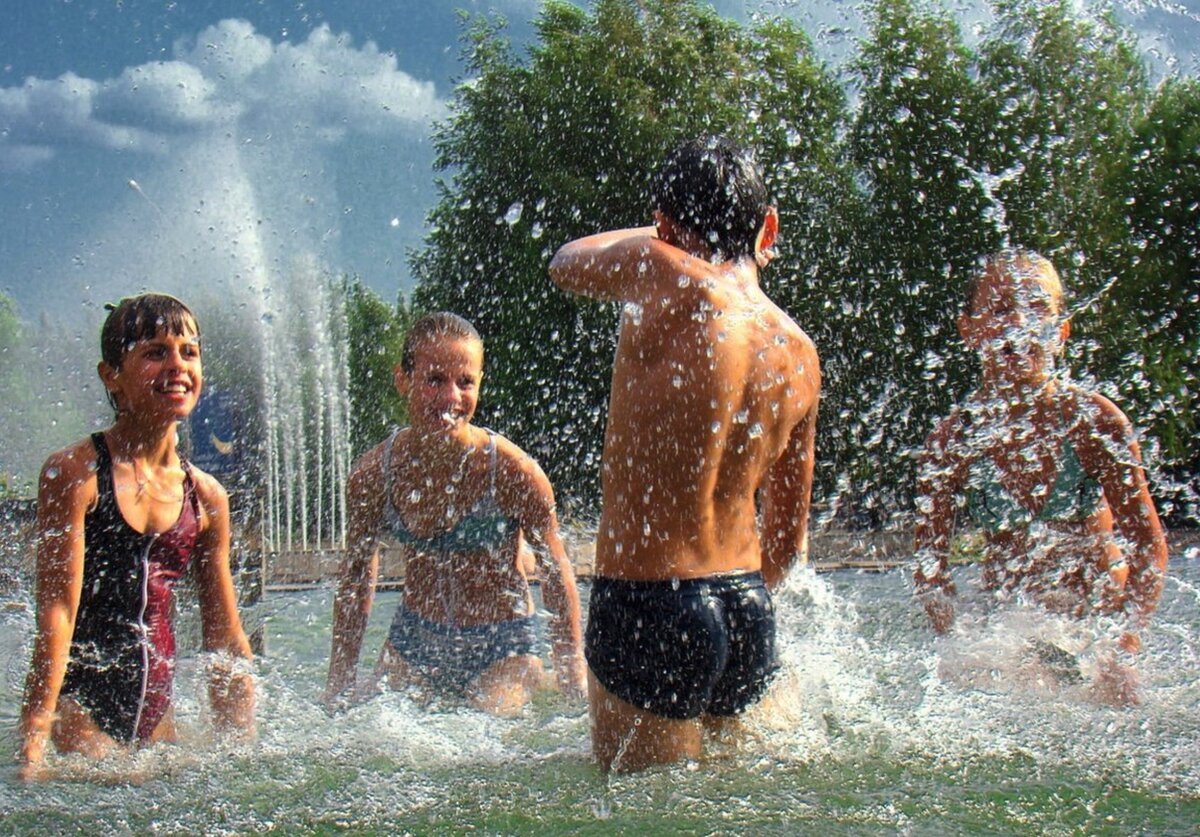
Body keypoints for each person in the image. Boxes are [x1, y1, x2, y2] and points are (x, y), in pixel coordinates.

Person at [549, 136, 820, 772]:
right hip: (748, 609)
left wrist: (663, 235)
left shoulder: (667, 274)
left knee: (644, 816)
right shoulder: (801, 353)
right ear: (769, 226)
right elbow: (785, 543)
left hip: (651, 604)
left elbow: (566, 262)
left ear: (667, 225)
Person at [18, 294, 256, 781]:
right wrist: (33, 740)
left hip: (159, 727)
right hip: (80, 719)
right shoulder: (77, 473)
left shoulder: (206, 497)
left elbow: (224, 635)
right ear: (112, 376)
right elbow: (57, 612)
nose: (177, 366)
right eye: (154, 353)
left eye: (189, 352)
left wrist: (243, 749)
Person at [913, 251, 1169, 702]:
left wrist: (1124, 647)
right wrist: (959, 642)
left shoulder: (1094, 421)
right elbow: (929, 564)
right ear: (968, 330)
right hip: (1012, 633)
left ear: (1061, 332)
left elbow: (1148, 545)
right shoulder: (952, 441)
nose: (1020, 322)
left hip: (1096, 630)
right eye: (1001, 308)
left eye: (1038, 309)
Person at [325, 313, 586, 716]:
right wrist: (339, 681)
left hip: (503, 643)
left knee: (489, 732)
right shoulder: (374, 476)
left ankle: (540, 676)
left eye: (465, 382)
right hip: (415, 638)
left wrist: (573, 673)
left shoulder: (513, 472)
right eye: (434, 380)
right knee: (365, 731)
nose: (451, 398)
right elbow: (357, 573)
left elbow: (555, 569)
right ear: (402, 380)